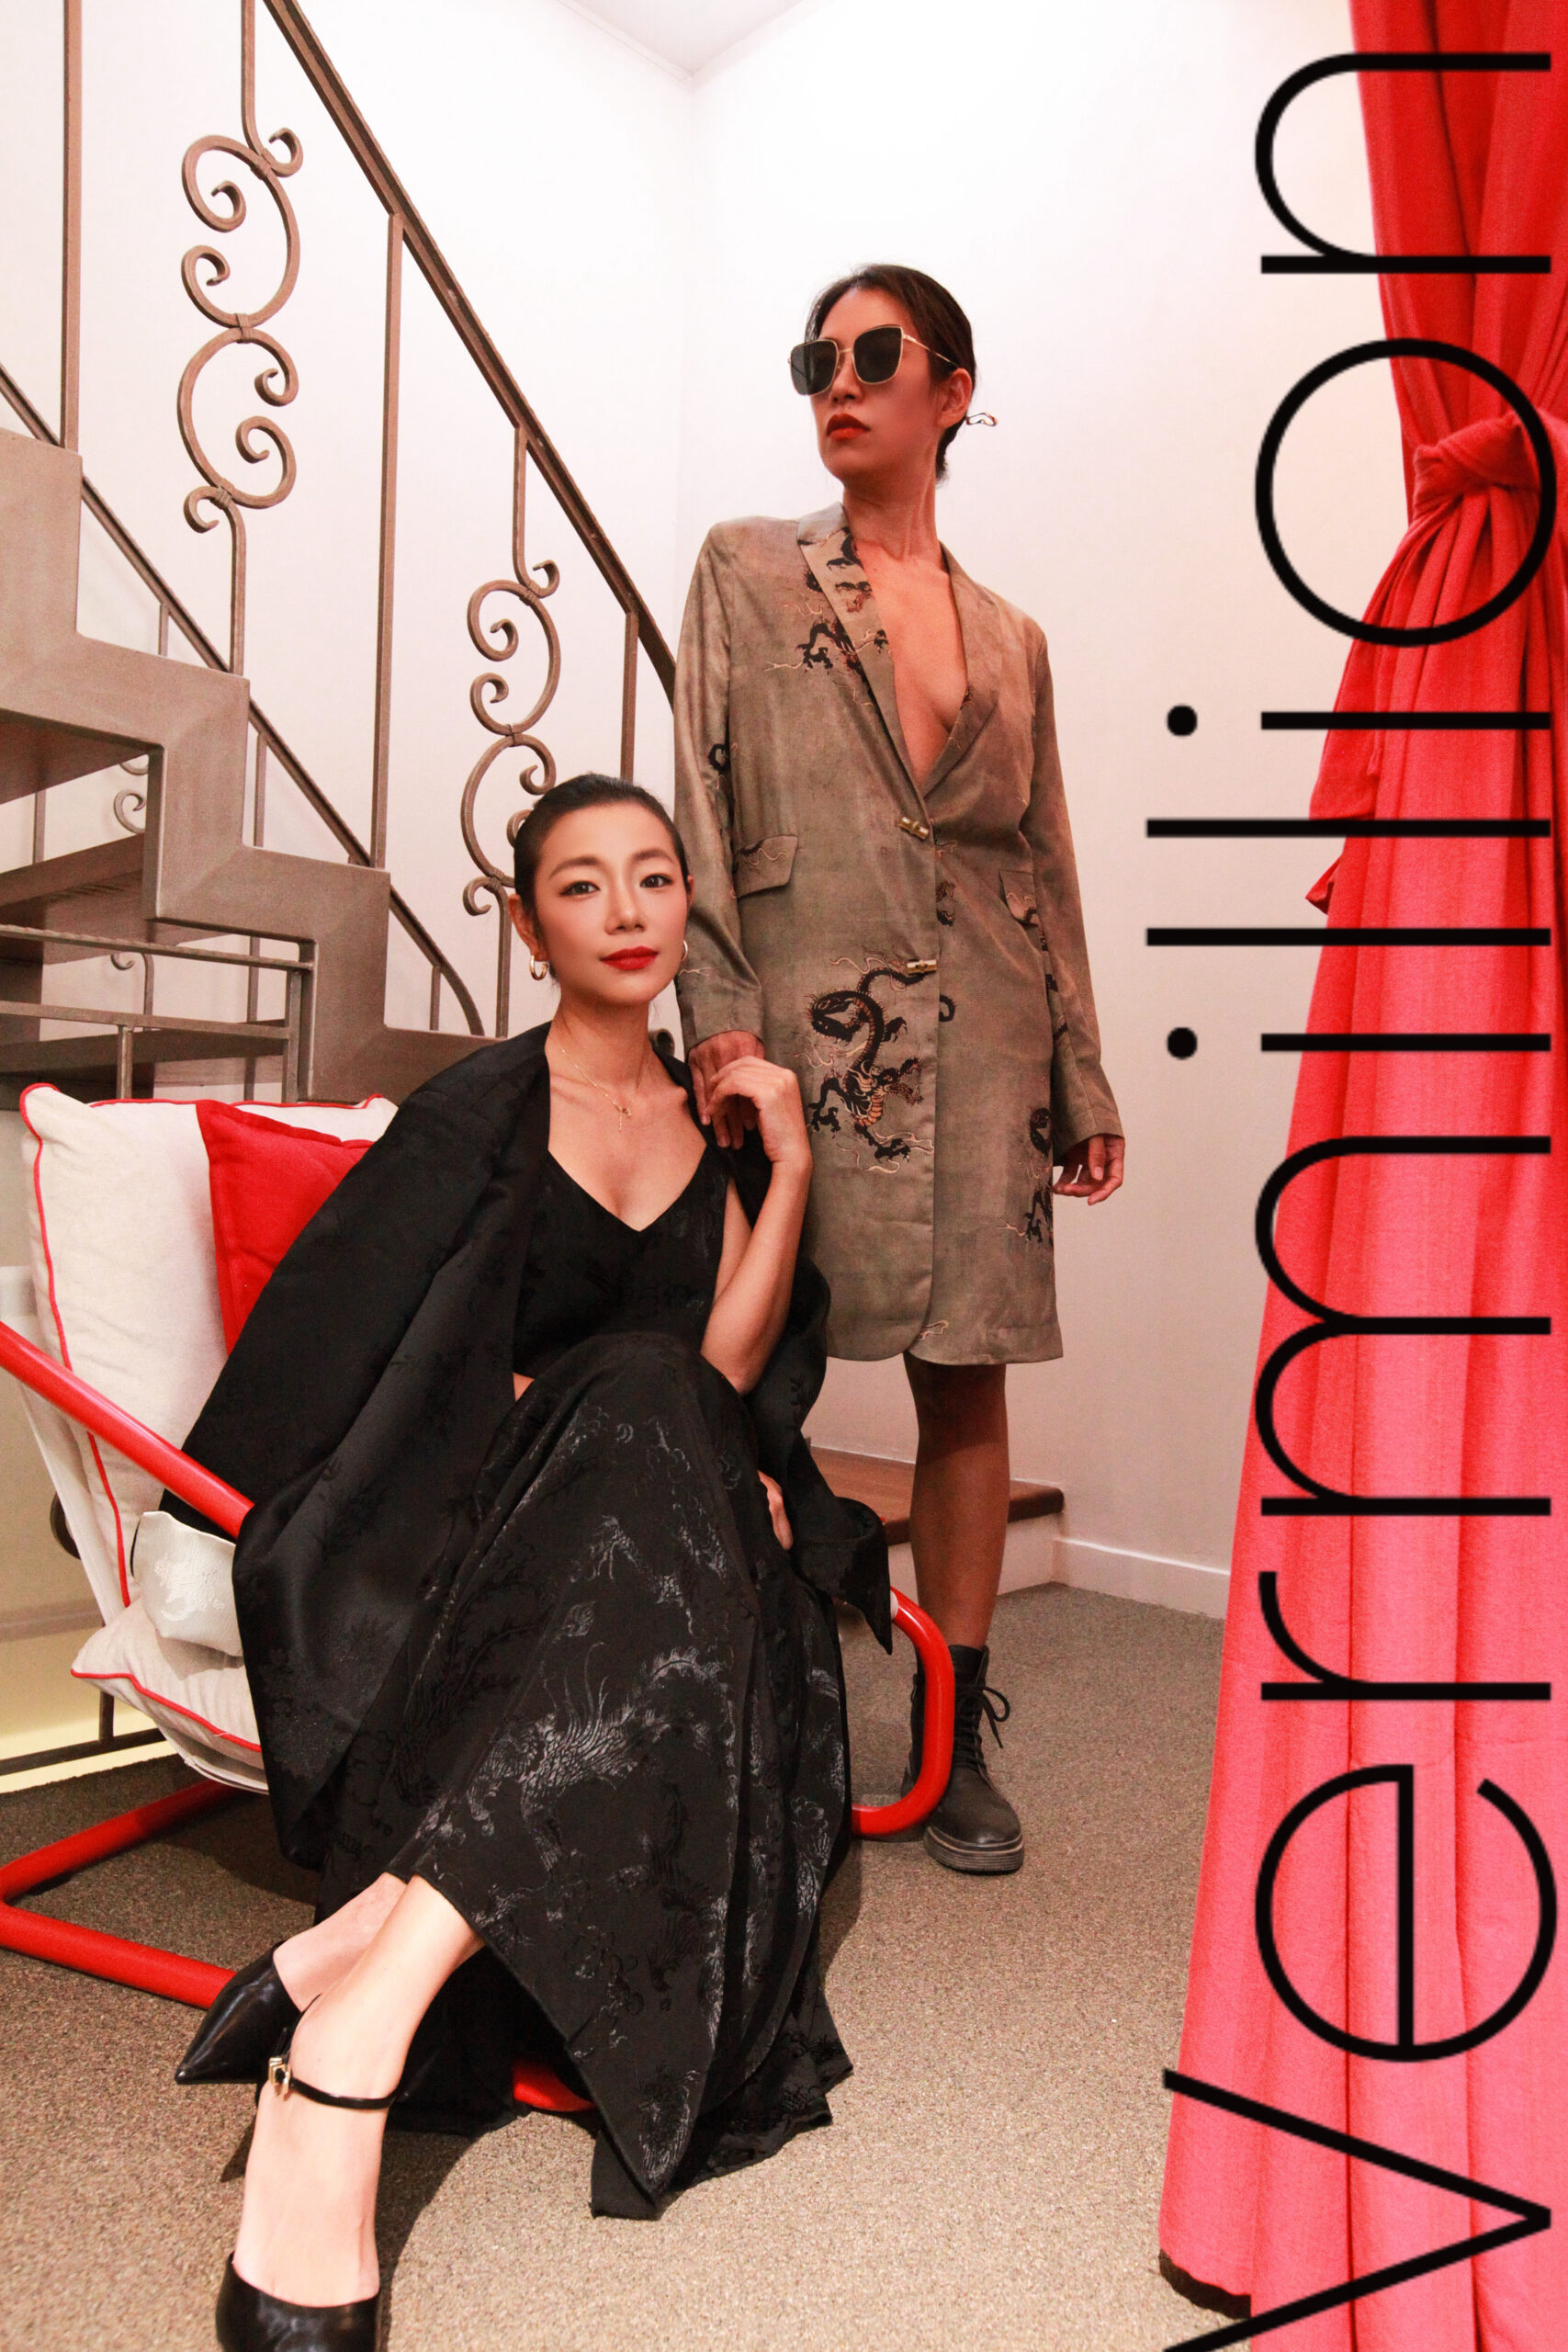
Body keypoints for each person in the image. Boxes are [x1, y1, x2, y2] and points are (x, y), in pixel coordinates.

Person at [166, 776, 889, 2352]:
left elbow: (728, 1371)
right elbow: (355, 1358)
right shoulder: (474, 1116)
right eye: (583, 885)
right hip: (497, 1549)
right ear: (527, 923)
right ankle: (365, 2009)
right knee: (632, 1388)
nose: (628, 912)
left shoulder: (719, 1133)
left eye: (655, 877)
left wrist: (791, 1169)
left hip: (661, 1549)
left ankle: (367, 1981)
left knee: (660, 1393)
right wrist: (510, 1403)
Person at [675, 263, 1123, 1877]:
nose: (840, 383)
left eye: (875, 355)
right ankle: (731, 1706)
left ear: (953, 390)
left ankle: (954, 1725)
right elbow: (703, 794)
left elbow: (1041, 861)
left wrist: (1083, 1072)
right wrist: (717, 1011)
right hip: (811, 1036)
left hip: (990, 1041)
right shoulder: (746, 567)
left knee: (968, 1378)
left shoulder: (1015, 638)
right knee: (745, 1368)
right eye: (818, 359)